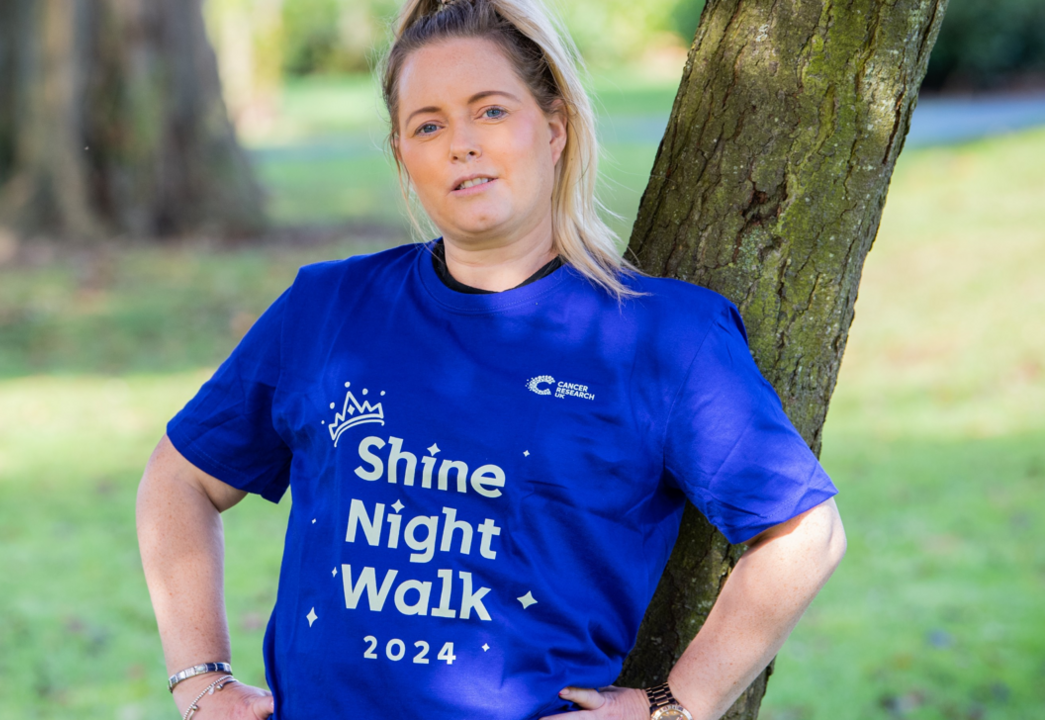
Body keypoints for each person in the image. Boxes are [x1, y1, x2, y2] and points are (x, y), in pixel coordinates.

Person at [135, 0, 847, 718]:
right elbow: (178, 478)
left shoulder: (663, 339)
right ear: (403, 157)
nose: (461, 144)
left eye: (491, 111)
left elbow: (802, 532)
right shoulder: (328, 309)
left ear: (555, 128)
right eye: (428, 125)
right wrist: (202, 683)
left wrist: (676, 705)